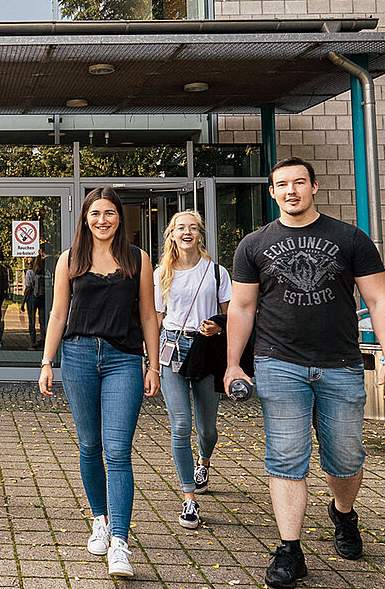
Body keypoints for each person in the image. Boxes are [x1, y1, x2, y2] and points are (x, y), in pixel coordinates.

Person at [224, 157, 385, 589]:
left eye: (299, 183)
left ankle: (343, 513)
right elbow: (243, 307)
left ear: (314, 187)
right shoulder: (253, 244)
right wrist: (233, 362)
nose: (291, 191)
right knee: (286, 456)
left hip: (340, 364)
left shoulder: (350, 238)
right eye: (282, 184)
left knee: (344, 458)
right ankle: (290, 550)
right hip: (277, 363)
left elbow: (379, 301)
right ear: (272, 192)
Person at [39, 186, 160, 577]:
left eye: (109, 213)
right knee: (90, 444)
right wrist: (46, 362)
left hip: (123, 360)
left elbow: (147, 317)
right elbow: (58, 314)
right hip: (77, 357)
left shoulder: (137, 259)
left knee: (118, 450)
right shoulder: (69, 259)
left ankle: (121, 543)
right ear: (85, 218)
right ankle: (100, 520)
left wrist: (153, 366)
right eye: (95, 213)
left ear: (119, 218)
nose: (102, 220)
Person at [152, 210, 231, 530]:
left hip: (206, 349)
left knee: (207, 428)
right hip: (172, 349)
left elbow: (232, 315)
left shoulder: (216, 272)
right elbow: (155, 319)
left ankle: (204, 462)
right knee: (181, 424)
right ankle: (189, 499)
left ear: (200, 235)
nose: (187, 232)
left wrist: (218, 328)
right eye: (180, 228)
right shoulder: (162, 274)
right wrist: (151, 360)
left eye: (193, 228)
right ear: (171, 235)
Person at [23, 251, 47, 348]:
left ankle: (32, 342)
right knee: (42, 321)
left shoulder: (30, 272)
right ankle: (43, 339)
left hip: (32, 298)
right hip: (42, 298)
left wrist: (23, 302)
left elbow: (28, 288)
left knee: (32, 320)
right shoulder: (44, 271)